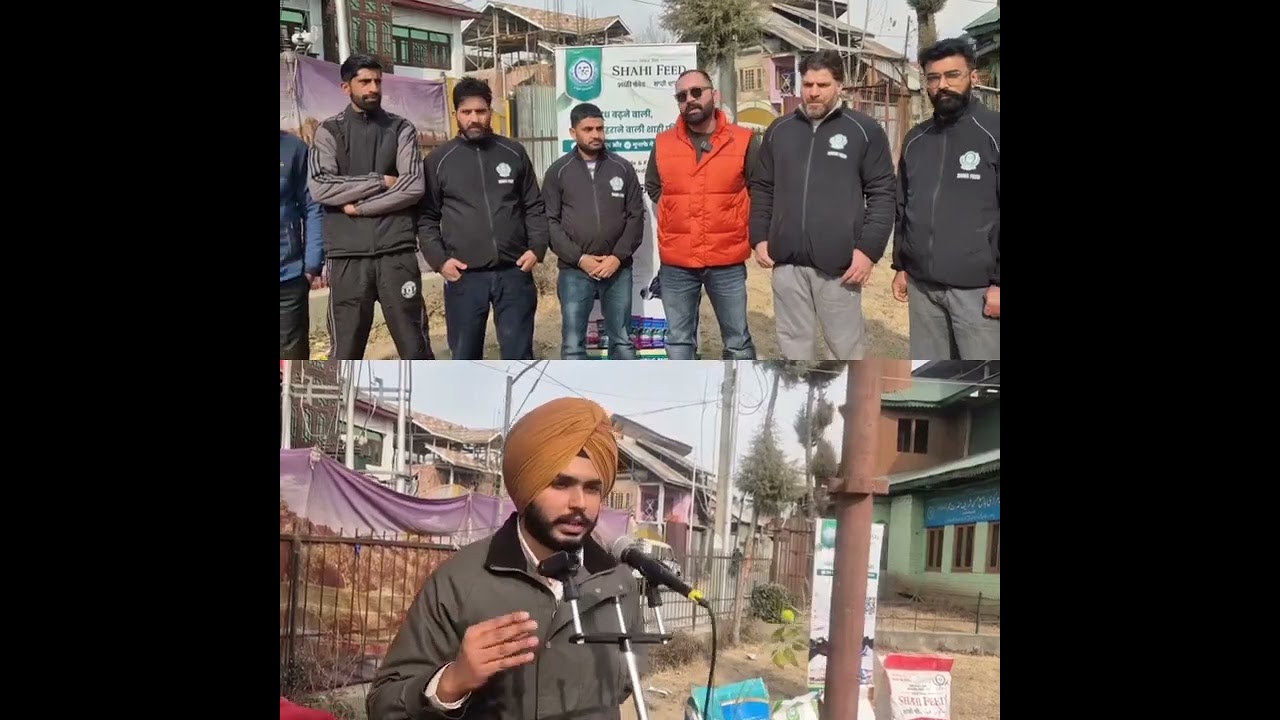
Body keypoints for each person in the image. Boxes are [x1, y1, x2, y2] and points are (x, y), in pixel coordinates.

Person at [367, 397, 645, 720]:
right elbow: (383, 705)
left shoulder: (617, 584)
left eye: (592, 488)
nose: (579, 502)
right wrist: (451, 682)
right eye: (560, 484)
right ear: (527, 486)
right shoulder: (460, 581)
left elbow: (625, 683)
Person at [748, 50, 897, 360]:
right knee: (794, 350)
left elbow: (882, 193)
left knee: (844, 351)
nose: (814, 92)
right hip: (786, 262)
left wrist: (868, 251)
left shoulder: (864, 131)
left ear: (839, 86)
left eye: (823, 85)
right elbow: (763, 186)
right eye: (808, 84)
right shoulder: (780, 130)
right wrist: (759, 237)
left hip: (839, 266)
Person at [307, 54, 432, 360]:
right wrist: (380, 180)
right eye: (364, 81)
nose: (373, 88)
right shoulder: (329, 131)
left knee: (415, 349)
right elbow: (321, 186)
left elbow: (413, 186)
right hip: (348, 258)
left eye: (377, 80)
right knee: (345, 354)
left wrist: (360, 207)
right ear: (345, 87)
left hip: (396, 254)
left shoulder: (401, 128)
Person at [419, 78, 550, 361]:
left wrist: (537, 248)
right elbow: (427, 218)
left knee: (518, 356)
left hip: (514, 272)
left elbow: (534, 205)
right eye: (466, 112)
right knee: (465, 357)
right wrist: (440, 261)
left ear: (490, 111)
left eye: (480, 111)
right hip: (464, 276)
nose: (474, 119)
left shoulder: (513, 152)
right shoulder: (438, 161)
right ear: (455, 114)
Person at [892, 38, 1001, 359]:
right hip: (922, 290)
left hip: (978, 291)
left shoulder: (994, 132)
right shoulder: (916, 139)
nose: (942, 85)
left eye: (953, 75)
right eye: (933, 78)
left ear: (973, 77)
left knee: (981, 376)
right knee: (934, 370)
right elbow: (903, 207)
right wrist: (901, 265)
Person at [644, 69, 759, 360]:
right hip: (677, 262)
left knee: (737, 342)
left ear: (714, 95)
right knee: (678, 341)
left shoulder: (743, 140)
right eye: (682, 96)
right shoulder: (663, 143)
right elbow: (654, 186)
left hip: (727, 259)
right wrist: (674, 211)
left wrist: (737, 221)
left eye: (697, 92)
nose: (690, 100)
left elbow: (759, 189)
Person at [543, 103, 644, 360]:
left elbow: (635, 216)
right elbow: (550, 222)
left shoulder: (622, 168)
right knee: (573, 343)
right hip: (575, 270)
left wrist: (617, 257)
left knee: (622, 340)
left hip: (617, 269)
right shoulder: (558, 171)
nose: (596, 134)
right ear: (573, 132)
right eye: (588, 129)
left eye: (600, 128)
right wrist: (580, 259)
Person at [280, 130, 325, 359]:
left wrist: (311, 264)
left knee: (292, 366)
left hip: (288, 281)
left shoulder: (294, 149)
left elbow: (313, 206)